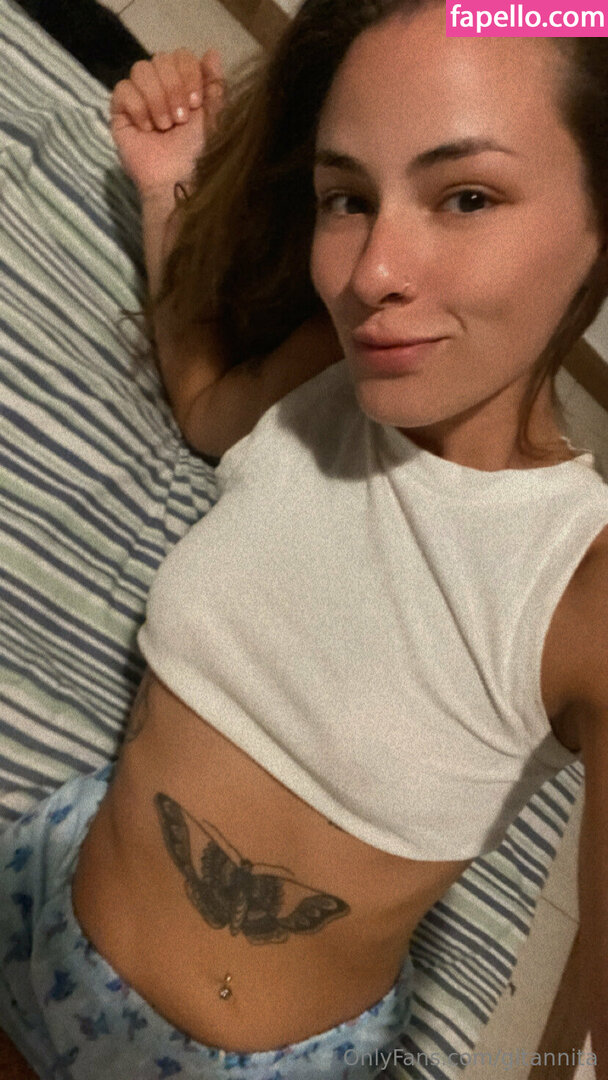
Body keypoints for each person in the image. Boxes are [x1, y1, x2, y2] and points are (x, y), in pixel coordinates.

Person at [1, 1, 608, 1077]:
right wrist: (167, 184)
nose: (370, 273)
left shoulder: (576, 587)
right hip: (38, 915)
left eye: (466, 196)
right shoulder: (324, 380)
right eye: (347, 198)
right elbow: (203, 407)